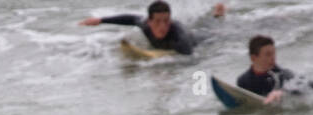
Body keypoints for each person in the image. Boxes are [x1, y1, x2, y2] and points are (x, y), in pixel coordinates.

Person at [79, 1, 226, 55]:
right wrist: (100, 20)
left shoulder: (179, 37)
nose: (163, 26)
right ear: (149, 21)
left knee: (209, 31)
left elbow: (189, 57)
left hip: (198, 40)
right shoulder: (144, 24)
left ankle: (217, 16)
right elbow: (129, 18)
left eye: (166, 21)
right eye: (157, 22)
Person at [237, 35, 293, 105]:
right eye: (268, 54)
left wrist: (283, 92)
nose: (273, 58)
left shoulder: (283, 75)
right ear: (253, 58)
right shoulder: (243, 81)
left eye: (273, 53)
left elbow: (304, 85)